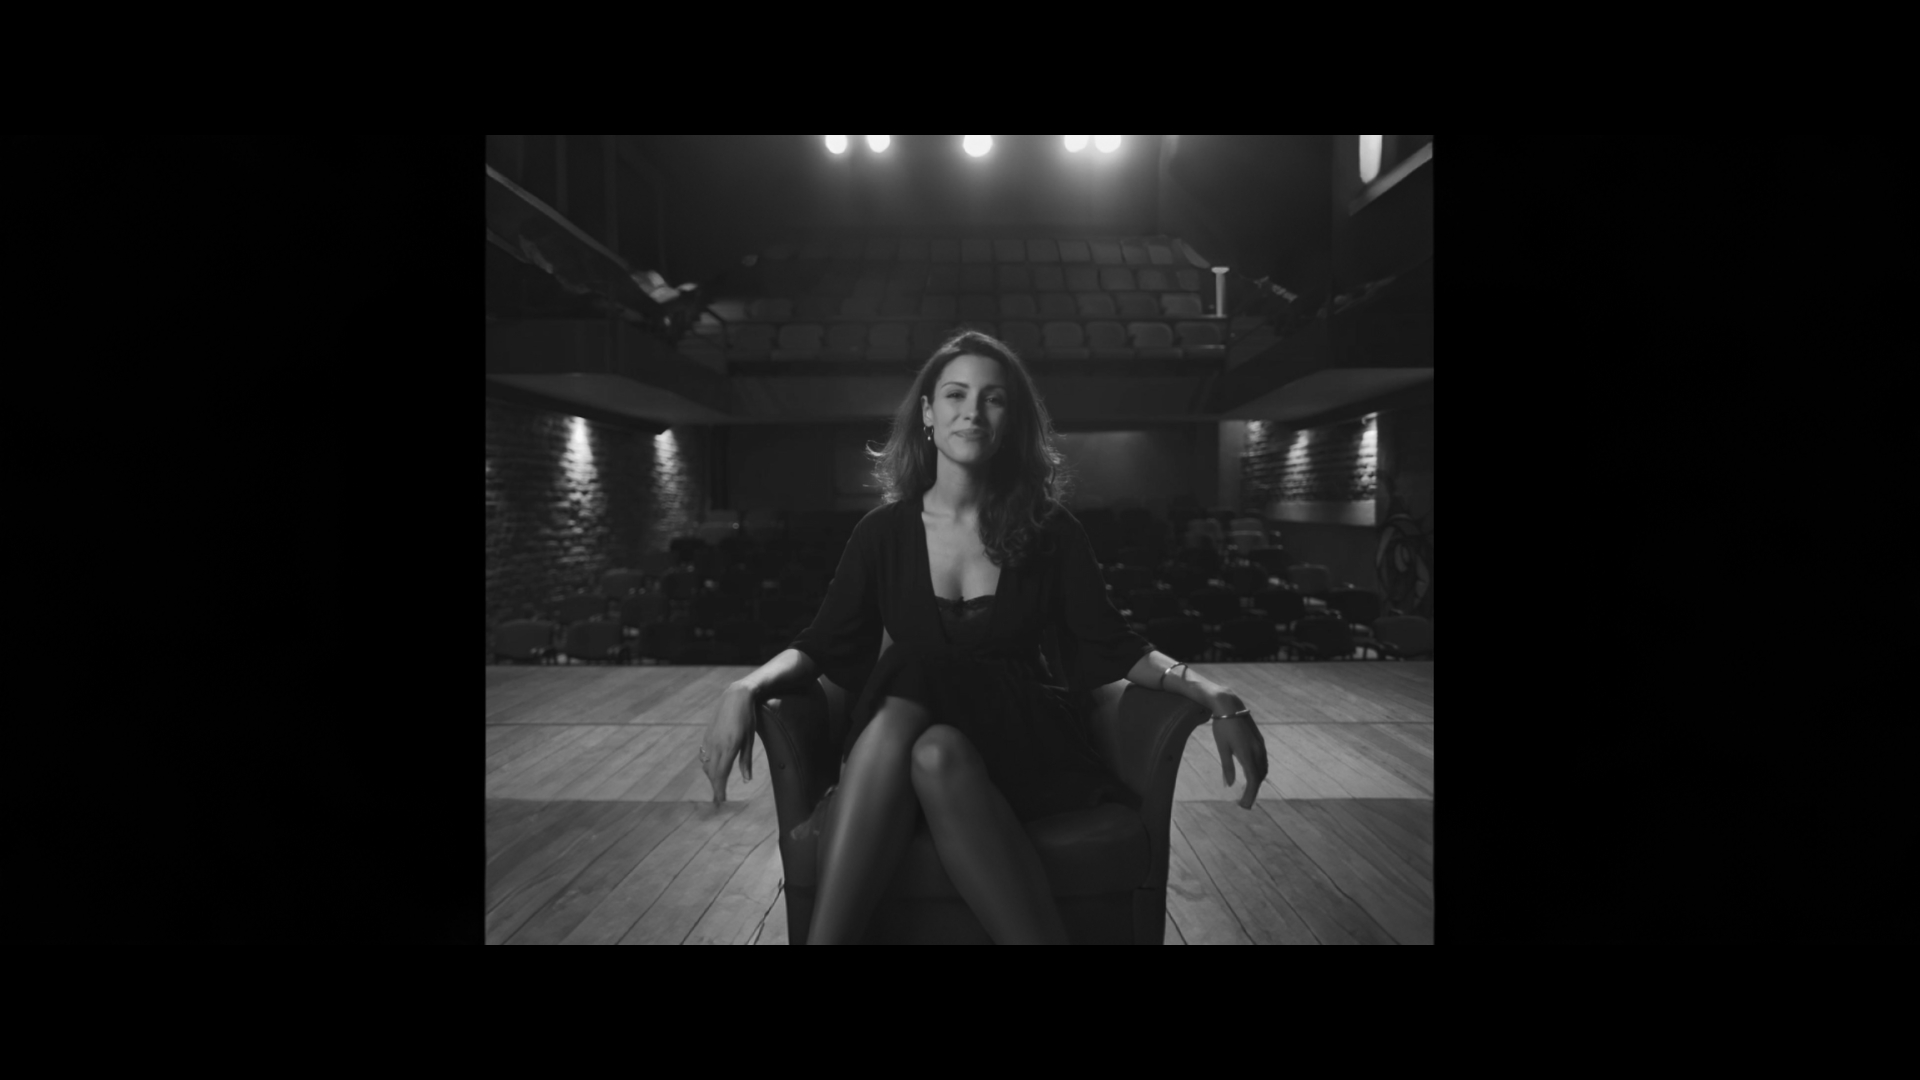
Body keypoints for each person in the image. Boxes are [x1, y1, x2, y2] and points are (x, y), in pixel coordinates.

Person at [698, 330, 1268, 944]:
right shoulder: (882, 533)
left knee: (914, 668)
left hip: (1021, 745)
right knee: (934, 750)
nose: (972, 411)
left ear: (1011, 419)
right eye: (955, 394)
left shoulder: (1050, 530)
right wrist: (745, 686)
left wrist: (1217, 694)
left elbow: (1116, 646)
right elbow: (823, 643)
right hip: (915, 752)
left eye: (993, 398)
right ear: (927, 414)